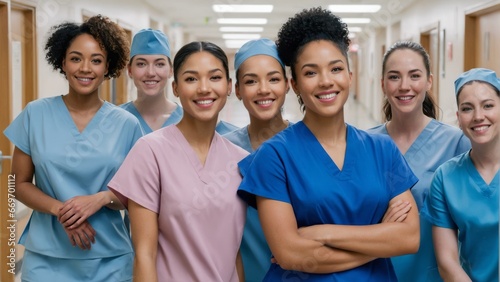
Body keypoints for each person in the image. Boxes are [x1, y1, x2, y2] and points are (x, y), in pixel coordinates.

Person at [237, 7, 420, 281]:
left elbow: (409, 237)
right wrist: (381, 239)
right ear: (295, 84)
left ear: (349, 75)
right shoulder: (274, 155)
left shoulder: (382, 149)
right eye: (311, 73)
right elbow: (290, 254)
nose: (326, 81)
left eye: (335, 69)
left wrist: (323, 233)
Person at [3, 15, 142, 281]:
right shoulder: (36, 114)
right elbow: (17, 185)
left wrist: (99, 199)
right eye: (76, 58)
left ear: (108, 66)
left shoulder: (126, 124)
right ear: (63, 62)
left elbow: (137, 194)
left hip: (109, 259)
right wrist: (61, 211)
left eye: (96, 60)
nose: (85, 68)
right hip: (46, 258)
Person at [108, 41, 249, 282]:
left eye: (215, 78)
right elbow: (144, 255)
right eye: (191, 79)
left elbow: (233, 250)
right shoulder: (151, 151)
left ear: (229, 86)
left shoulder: (240, 160)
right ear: (175, 88)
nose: (204, 88)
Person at [367, 41, 470, 281]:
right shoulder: (364, 144)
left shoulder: (456, 143)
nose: (405, 86)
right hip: (375, 270)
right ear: (383, 84)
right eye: (394, 77)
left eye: (414, 76)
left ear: (429, 81)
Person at [422, 68, 499, 282]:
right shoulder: (445, 178)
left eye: (488, 105)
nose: (478, 116)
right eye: (467, 109)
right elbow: (447, 263)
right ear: (458, 117)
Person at [223, 38, 291, 282]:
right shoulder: (222, 148)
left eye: (273, 79)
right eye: (251, 81)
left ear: (287, 85)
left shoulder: (309, 146)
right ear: (238, 89)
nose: (263, 89)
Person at [121, 28, 182, 133]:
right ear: (130, 70)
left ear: (171, 70)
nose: (150, 73)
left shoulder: (186, 119)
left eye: (159, 64)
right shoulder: (117, 118)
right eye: (141, 64)